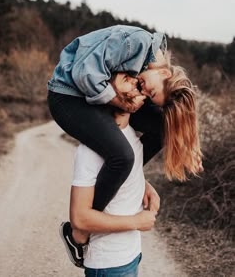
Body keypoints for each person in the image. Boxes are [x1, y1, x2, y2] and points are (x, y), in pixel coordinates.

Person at [47, 25, 203, 266]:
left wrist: (187, 145)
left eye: (148, 96)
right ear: (164, 74)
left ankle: (129, 174)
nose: (143, 92)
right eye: (149, 92)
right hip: (69, 96)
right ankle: (77, 232)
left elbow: (168, 117)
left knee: (164, 126)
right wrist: (123, 102)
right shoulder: (138, 43)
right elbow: (84, 73)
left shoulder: (150, 67)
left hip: (92, 96)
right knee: (122, 156)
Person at [61, 105, 158, 276]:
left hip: (132, 254)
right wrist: (136, 222)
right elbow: (80, 218)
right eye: (123, 81)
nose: (131, 88)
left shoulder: (133, 136)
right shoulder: (89, 150)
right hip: (109, 263)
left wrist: (143, 183)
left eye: (134, 83)